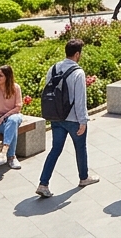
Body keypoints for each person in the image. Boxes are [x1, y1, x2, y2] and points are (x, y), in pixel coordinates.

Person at [36, 39, 99, 197]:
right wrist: (83, 121)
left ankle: (43, 183)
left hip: (56, 117)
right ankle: (83, 178)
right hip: (73, 119)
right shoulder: (78, 73)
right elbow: (80, 100)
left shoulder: (53, 68)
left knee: (55, 150)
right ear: (77, 54)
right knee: (80, 148)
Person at [0, 65, 25, 169]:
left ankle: (4, 152)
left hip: (13, 116)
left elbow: (18, 107)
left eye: (0, 75)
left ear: (8, 77)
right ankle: (11, 157)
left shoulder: (15, 88)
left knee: (13, 120)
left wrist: (4, 117)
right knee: (12, 128)